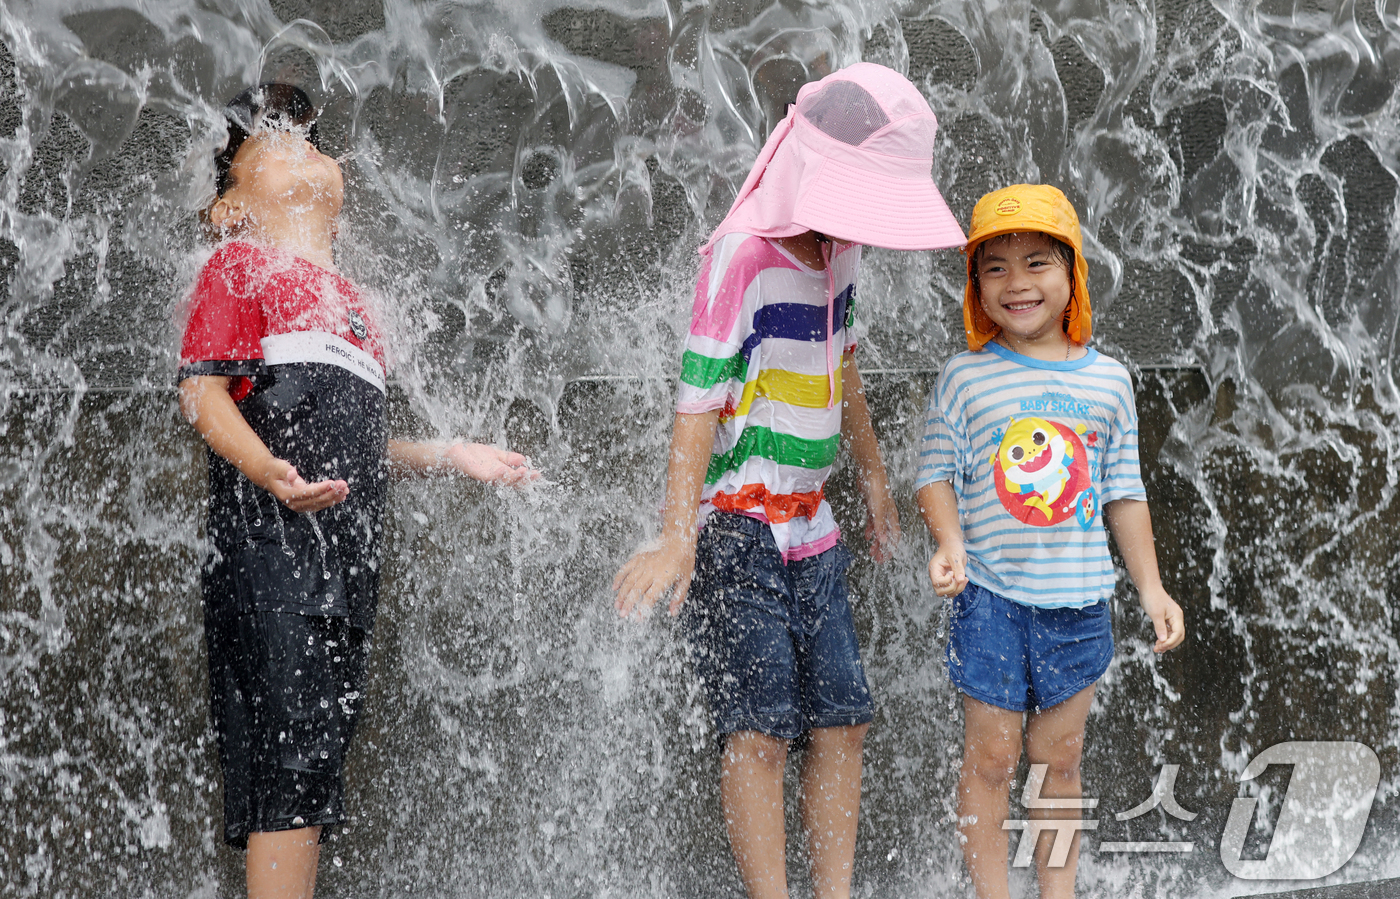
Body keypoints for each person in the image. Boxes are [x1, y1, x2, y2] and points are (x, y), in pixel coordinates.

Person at [613, 63, 966, 898]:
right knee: (759, 726)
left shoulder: (840, 253)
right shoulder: (742, 253)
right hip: (737, 524)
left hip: (812, 526)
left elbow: (844, 362)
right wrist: (678, 536)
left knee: (844, 720)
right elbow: (697, 399)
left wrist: (873, 475)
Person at [177, 83, 536, 899]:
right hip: (270, 555)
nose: (296, 144)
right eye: (269, 143)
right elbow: (201, 392)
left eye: (307, 138)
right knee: (288, 766)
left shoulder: (356, 310)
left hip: (342, 570)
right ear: (229, 209)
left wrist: (450, 452)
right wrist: (265, 468)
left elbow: (361, 447)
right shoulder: (241, 266)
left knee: (309, 768)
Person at [914, 184, 1186, 899]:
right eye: (995, 268)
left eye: (1037, 262)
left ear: (1073, 274)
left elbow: (1124, 493)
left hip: (1079, 603)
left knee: (1059, 758)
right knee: (992, 758)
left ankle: (1057, 892)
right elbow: (934, 473)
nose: (1017, 283)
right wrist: (949, 542)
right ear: (976, 287)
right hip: (991, 599)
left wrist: (1152, 587)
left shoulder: (1109, 383)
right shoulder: (965, 378)